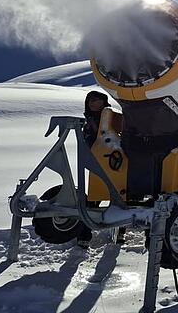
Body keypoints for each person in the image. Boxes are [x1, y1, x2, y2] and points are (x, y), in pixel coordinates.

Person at [78, 91, 126, 247]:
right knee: (93, 200)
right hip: (96, 163)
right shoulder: (90, 120)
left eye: (96, 100)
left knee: (119, 198)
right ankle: (84, 236)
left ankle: (119, 232)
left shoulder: (111, 119)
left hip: (113, 163)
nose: (93, 103)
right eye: (90, 100)